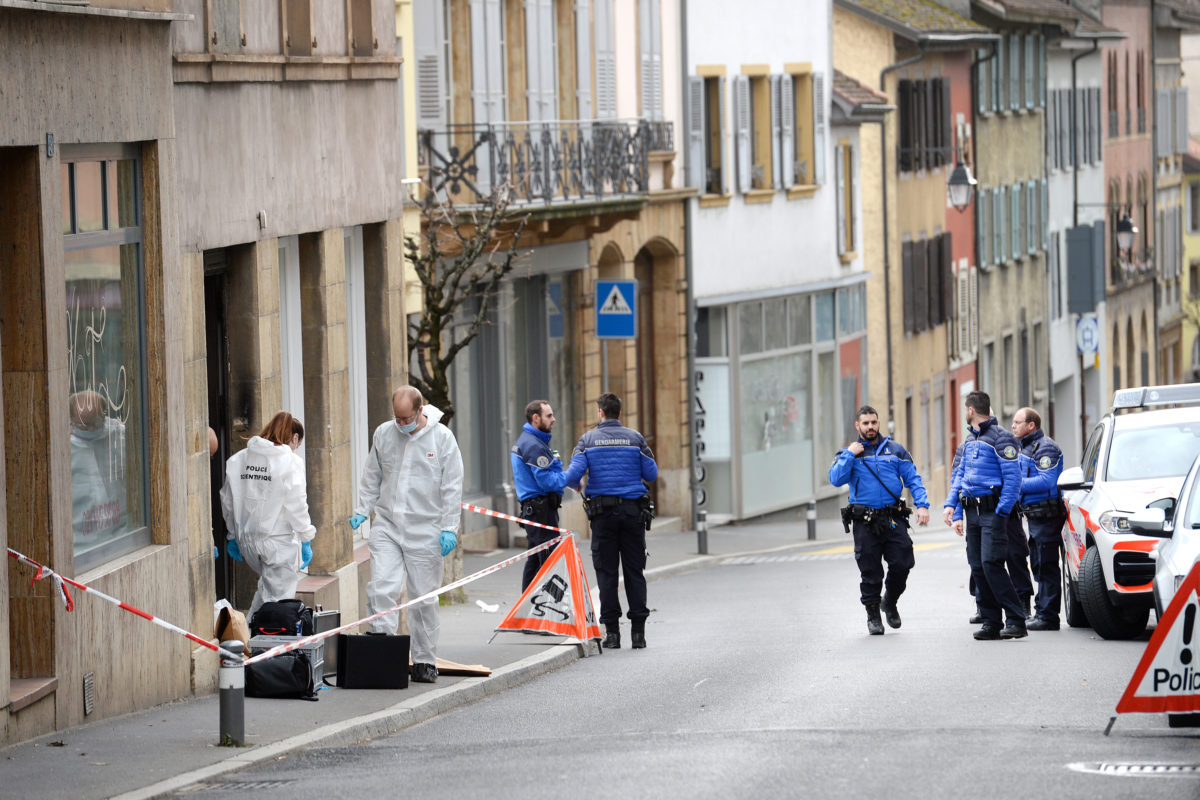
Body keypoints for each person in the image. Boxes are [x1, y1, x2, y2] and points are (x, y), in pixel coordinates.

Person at [350, 387, 464, 684]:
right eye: (397, 418)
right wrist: (364, 509)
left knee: (422, 598)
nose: (401, 424)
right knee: (382, 587)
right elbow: (372, 474)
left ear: (419, 410)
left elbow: (452, 485)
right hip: (388, 524)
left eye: (406, 418)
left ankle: (425, 659)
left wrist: (449, 527)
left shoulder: (441, 439)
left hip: (425, 528)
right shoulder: (385, 434)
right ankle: (383, 649)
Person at [563, 392, 657, 650]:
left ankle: (612, 634)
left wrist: (579, 483)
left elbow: (572, 476)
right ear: (620, 413)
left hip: (602, 517)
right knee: (634, 572)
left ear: (601, 413)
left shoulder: (587, 440)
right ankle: (638, 634)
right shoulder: (636, 438)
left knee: (606, 573)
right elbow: (651, 473)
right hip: (632, 514)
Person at [829, 405, 931, 635]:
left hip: (893, 518)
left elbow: (913, 478)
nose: (870, 427)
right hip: (865, 522)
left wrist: (922, 504)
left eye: (873, 422)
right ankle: (873, 615)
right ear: (858, 426)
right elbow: (835, 479)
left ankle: (890, 601)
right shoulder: (848, 454)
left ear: (878, 422)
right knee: (870, 571)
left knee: (903, 563)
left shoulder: (895, 450)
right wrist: (849, 454)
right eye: (865, 423)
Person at [943, 391, 1026, 640]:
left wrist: (1001, 512)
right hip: (972, 513)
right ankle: (991, 622)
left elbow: (1013, 480)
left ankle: (1016, 619)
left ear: (970, 411)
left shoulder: (1002, 439)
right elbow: (960, 477)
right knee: (978, 567)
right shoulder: (969, 442)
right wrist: (953, 508)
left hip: (992, 513)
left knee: (992, 565)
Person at [219, 412, 315, 620]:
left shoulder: (238, 459)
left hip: (247, 541)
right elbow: (297, 504)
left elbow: (227, 500)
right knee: (280, 603)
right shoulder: (290, 461)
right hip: (275, 542)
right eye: (297, 444)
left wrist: (232, 535)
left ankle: (251, 634)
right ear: (295, 438)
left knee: (266, 591)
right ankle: (271, 648)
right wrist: (306, 536)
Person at [1012, 407, 1066, 631]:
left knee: (1046, 564)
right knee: (1038, 563)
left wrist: (1015, 485)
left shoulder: (1046, 448)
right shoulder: (1025, 447)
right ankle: (1042, 611)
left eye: (1017, 422)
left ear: (1031, 425)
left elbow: (1047, 481)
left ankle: (1048, 616)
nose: (1013, 426)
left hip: (1047, 515)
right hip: (1035, 516)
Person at [510, 400, 568, 590]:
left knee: (535, 561)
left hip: (536, 509)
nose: (554, 419)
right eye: (549, 416)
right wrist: (568, 478)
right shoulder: (533, 445)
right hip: (541, 510)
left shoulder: (533, 441)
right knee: (549, 561)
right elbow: (547, 481)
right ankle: (548, 613)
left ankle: (527, 612)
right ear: (536, 418)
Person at [70, 390, 128, 545]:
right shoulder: (63, 448)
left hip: (120, 533)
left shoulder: (120, 437)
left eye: (96, 423)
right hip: (81, 542)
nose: (90, 430)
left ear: (104, 416)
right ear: (71, 422)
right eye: (83, 425)